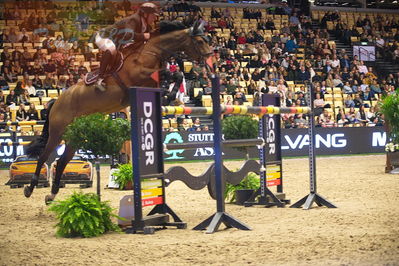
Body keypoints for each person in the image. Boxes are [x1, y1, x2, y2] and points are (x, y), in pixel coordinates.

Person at [95, 2, 159, 91]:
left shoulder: (147, 27)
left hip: (117, 41)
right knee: (111, 49)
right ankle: (99, 79)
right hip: (104, 36)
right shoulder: (134, 19)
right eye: (153, 15)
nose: (155, 18)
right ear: (145, 14)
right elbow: (128, 35)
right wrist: (144, 36)